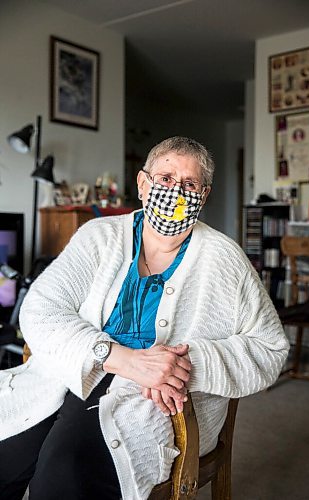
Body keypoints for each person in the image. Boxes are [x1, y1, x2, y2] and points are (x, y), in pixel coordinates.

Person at [0, 136, 289, 500]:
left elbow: (270, 349)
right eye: (165, 179)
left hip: (150, 400)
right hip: (78, 366)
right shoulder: (98, 236)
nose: (175, 193)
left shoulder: (225, 260)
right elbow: (40, 308)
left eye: (189, 185)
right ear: (142, 184)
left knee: (64, 472)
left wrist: (184, 364)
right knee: (8, 444)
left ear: (205, 195)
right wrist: (122, 359)